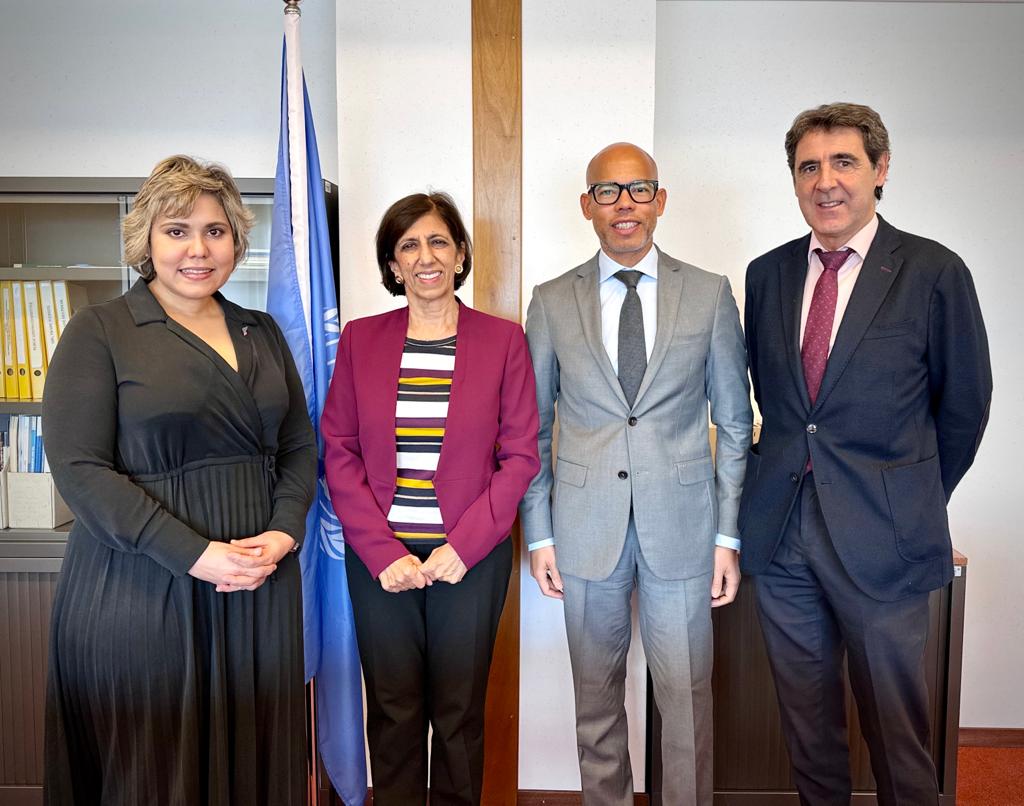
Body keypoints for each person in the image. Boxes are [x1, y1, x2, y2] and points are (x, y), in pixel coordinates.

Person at [41, 155, 317, 804]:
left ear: (236, 241)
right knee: (155, 771)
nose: (198, 249)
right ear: (146, 240)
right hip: (143, 587)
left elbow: (298, 447)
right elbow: (81, 470)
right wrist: (194, 554)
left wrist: (283, 533)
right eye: (177, 230)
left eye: (215, 231)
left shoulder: (262, 331)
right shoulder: (99, 332)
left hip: (258, 586)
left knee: (254, 763)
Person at [740, 103, 992, 805]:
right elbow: (778, 404)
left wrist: (912, 502)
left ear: (880, 170)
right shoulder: (766, 275)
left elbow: (965, 406)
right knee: (807, 728)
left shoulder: (933, 271)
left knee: (896, 730)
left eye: (844, 162)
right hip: (782, 534)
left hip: (886, 537)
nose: (825, 181)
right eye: (809, 167)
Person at [519, 143, 752, 805]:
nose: (625, 204)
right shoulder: (551, 301)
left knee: (687, 700)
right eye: (609, 191)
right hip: (583, 531)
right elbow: (531, 427)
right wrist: (539, 534)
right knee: (595, 701)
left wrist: (727, 536)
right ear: (587, 205)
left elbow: (735, 421)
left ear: (660, 200)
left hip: (685, 531)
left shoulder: (709, 294)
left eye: (640, 189)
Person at [321, 191, 539, 805]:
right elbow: (339, 450)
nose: (426, 257)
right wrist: (380, 551)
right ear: (393, 264)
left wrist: (463, 547)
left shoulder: (503, 341)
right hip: (381, 559)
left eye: (439, 241)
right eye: (409, 245)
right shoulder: (362, 340)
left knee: (459, 710)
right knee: (393, 709)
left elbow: (521, 456)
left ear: (461, 254)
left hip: (469, 557)